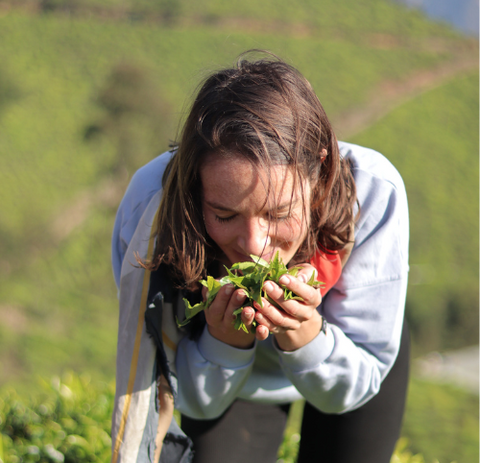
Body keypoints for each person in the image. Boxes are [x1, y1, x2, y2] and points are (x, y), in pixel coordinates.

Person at [110, 51, 410, 463]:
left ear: (320, 171)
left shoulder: (373, 194)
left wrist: (303, 334)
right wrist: (224, 341)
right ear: (195, 189)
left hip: (347, 356)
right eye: (224, 214)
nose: (253, 244)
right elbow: (176, 395)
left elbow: (350, 393)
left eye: (279, 214)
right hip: (222, 375)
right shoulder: (153, 210)